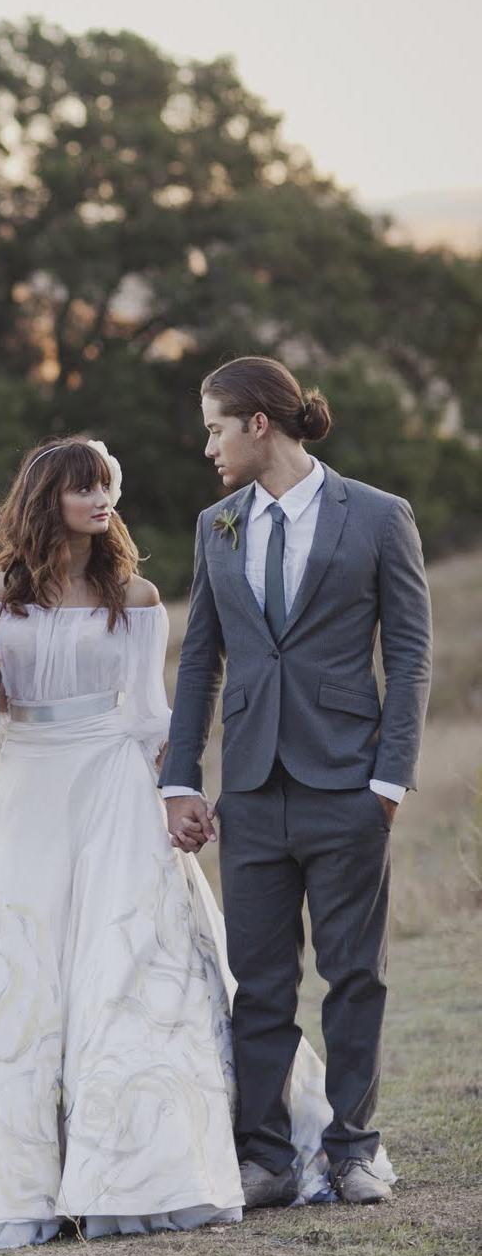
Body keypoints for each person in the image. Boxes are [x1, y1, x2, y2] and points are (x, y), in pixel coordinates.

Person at [0, 435, 339, 1253]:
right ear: (44, 499)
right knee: (0, 974)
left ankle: (132, 1168)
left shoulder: (133, 596)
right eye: (83, 489)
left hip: (108, 780)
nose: (101, 501)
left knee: (125, 970)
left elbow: (148, 713)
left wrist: (176, 788)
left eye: (107, 488)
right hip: (25, 784)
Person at [159, 357, 430, 1209]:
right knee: (260, 984)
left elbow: (411, 654)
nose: (206, 444)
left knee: (354, 975)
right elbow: (200, 659)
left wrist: (389, 781)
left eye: (213, 426)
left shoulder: (379, 517)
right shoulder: (217, 526)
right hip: (251, 790)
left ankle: (353, 1150)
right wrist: (180, 780)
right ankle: (266, 1159)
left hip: (349, 786)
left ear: (257, 424)